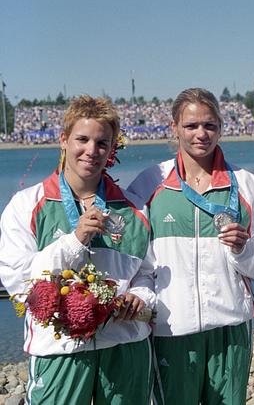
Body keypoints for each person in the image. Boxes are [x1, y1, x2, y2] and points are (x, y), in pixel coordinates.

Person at [0, 95, 155, 404]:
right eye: (82, 139)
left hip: (125, 346)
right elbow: (18, 283)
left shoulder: (134, 208)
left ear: (112, 149)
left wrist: (140, 297)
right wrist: (74, 240)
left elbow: (148, 273)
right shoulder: (27, 205)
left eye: (102, 143)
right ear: (64, 140)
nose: (91, 150)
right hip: (59, 349)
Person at [127, 88, 254, 404]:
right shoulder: (149, 183)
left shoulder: (248, 185)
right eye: (191, 126)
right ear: (174, 128)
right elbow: (136, 264)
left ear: (221, 127)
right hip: (172, 328)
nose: (201, 134)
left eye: (209, 125)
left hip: (232, 326)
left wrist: (244, 249)